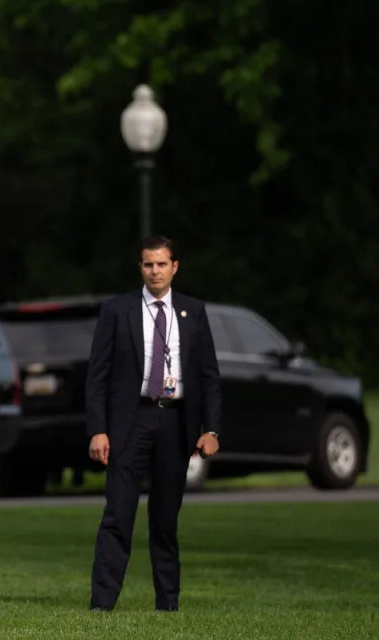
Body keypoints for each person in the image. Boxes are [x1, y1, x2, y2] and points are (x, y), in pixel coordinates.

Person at [86, 234, 222, 612]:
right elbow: (98, 375)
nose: (155, 271)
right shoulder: (118, 310)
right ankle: (102, 602)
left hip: (175, 422)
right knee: (118, 512)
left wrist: (211, 429)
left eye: (162, 264)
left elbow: (208, 374)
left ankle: (168, 602)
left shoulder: (193, 311)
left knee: (165, 518)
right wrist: (97, 428)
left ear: (175, 267)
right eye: (148, 264)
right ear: (140, 267)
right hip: (130, 422)